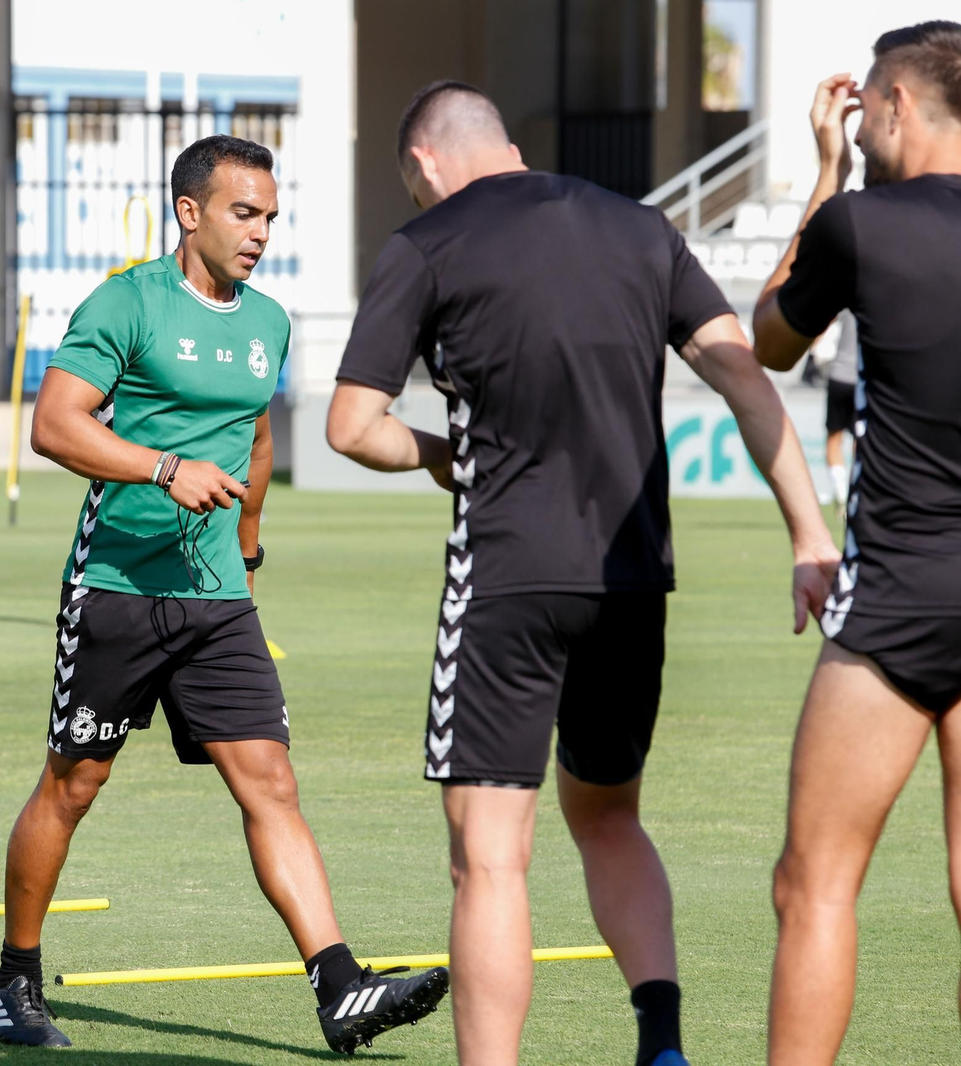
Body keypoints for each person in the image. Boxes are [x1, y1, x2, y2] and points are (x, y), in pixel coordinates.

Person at [325, 82, 836, 1066]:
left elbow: (351, 427)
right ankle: (661, 1043)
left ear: (425, 164)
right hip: (631, 579)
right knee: (608, 816)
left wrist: (438, 453)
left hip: (506, 580)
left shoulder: (422, 246)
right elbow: (744, 376)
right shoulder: (641, 229)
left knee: (489, 858)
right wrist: (808, 535)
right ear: (505, 145)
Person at [0, 134, 449, 1055]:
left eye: (271, 216)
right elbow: (53, 425)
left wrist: (248, 542)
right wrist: (161, 469)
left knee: (271, 782)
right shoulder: (127, 302)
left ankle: (340, 985)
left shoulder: (268, 322)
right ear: (190, 212)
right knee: (74, 786)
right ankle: (13, 979)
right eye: (245, 212)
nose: (261, 232)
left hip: (218, 599)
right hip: (116, 584)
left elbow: (257, 439)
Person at [750, 24, 961, 1066]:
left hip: (902, 595)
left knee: (815, 880)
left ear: (892, 106)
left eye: (868, 111)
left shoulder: (860, 224)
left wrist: (826, 172)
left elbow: (767, 339)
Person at [822, 311, 858, 519]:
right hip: (862, 379)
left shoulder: (847, 299)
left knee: (833, 440)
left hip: (838, 376)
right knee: (860, 442)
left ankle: (841, 495)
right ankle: (854, 494)